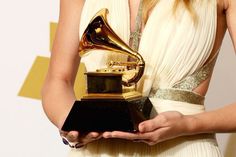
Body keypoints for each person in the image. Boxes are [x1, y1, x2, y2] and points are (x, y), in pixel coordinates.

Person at [42, 0, 236, 156]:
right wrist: (71, 124)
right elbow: (58, 80)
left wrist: (188, 124)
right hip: (96, 150)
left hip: (183, 148)